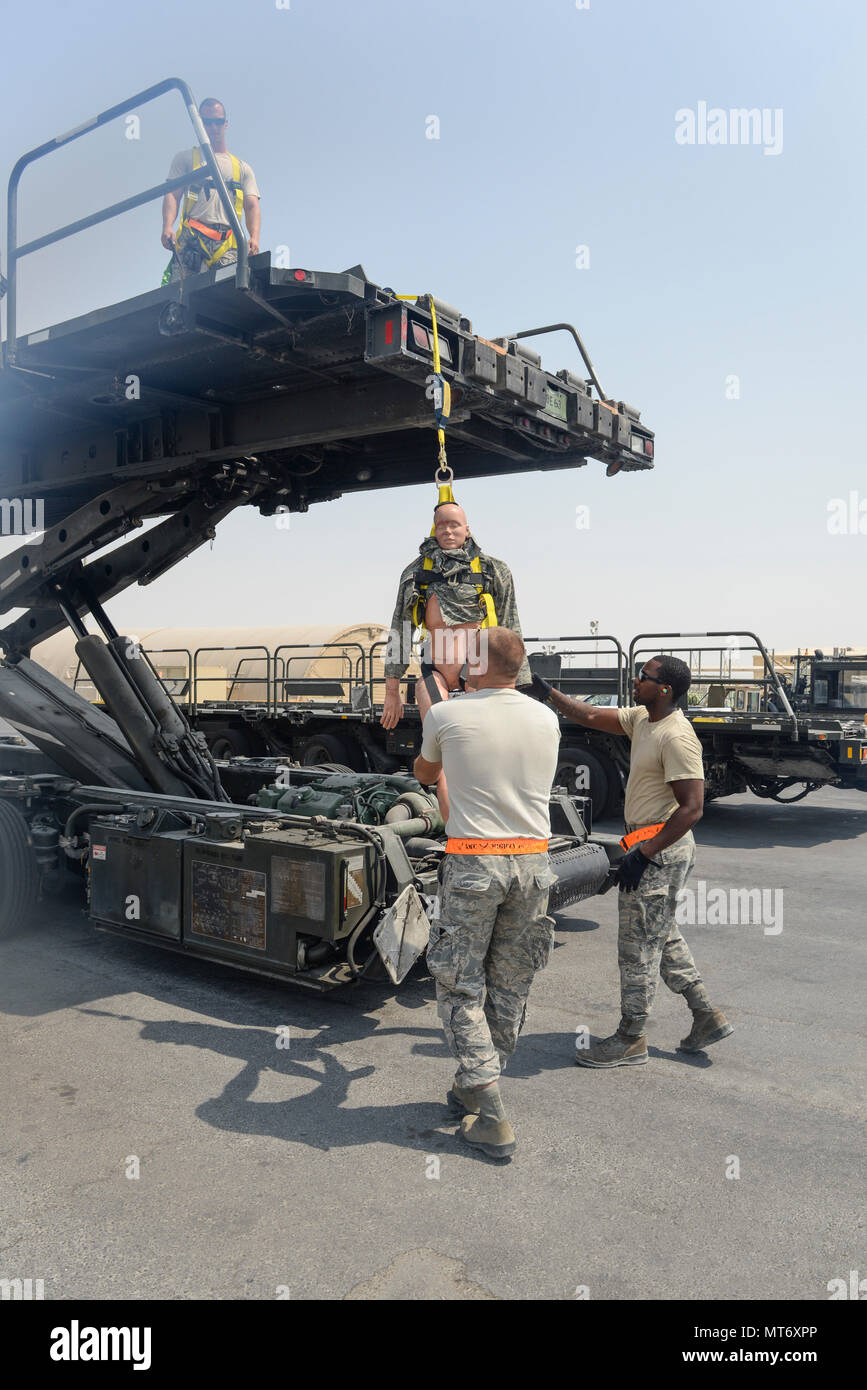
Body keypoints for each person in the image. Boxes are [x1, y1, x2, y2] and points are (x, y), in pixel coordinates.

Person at [532, 655, 733, 1066]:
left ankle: (631, 1038)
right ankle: (705, 1014)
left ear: (666, 689)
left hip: (659, 851)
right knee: (662, 935)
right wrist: (547, 693)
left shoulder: (676, 737)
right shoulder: (642, 718)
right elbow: (588, 713)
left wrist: (644, 854)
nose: (636, 680)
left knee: (638, 947)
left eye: (645, 677)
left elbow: (691, 809)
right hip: (647, 845)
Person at [413, 628, 560, 1160]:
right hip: (534, 863)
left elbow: (427, 772)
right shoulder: (546, 717)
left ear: (474, 664)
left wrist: (443, 695)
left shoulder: (446, 715)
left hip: (476, 861)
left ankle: (493, 1111)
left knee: (459, 984)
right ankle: (473, 1084)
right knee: (508, 983)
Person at [161, 98, 260, 281]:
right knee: (181, 298)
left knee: (226, 299)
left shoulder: (242, 168)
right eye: (207, 122)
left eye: (218, 122)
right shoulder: (186, 159)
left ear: (225, 124)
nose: (213, 127)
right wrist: (167, 226)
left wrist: (254, 237)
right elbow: (172, 195)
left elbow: (252, 205)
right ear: (199, 125)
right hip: (192, 242)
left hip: (228, 246)